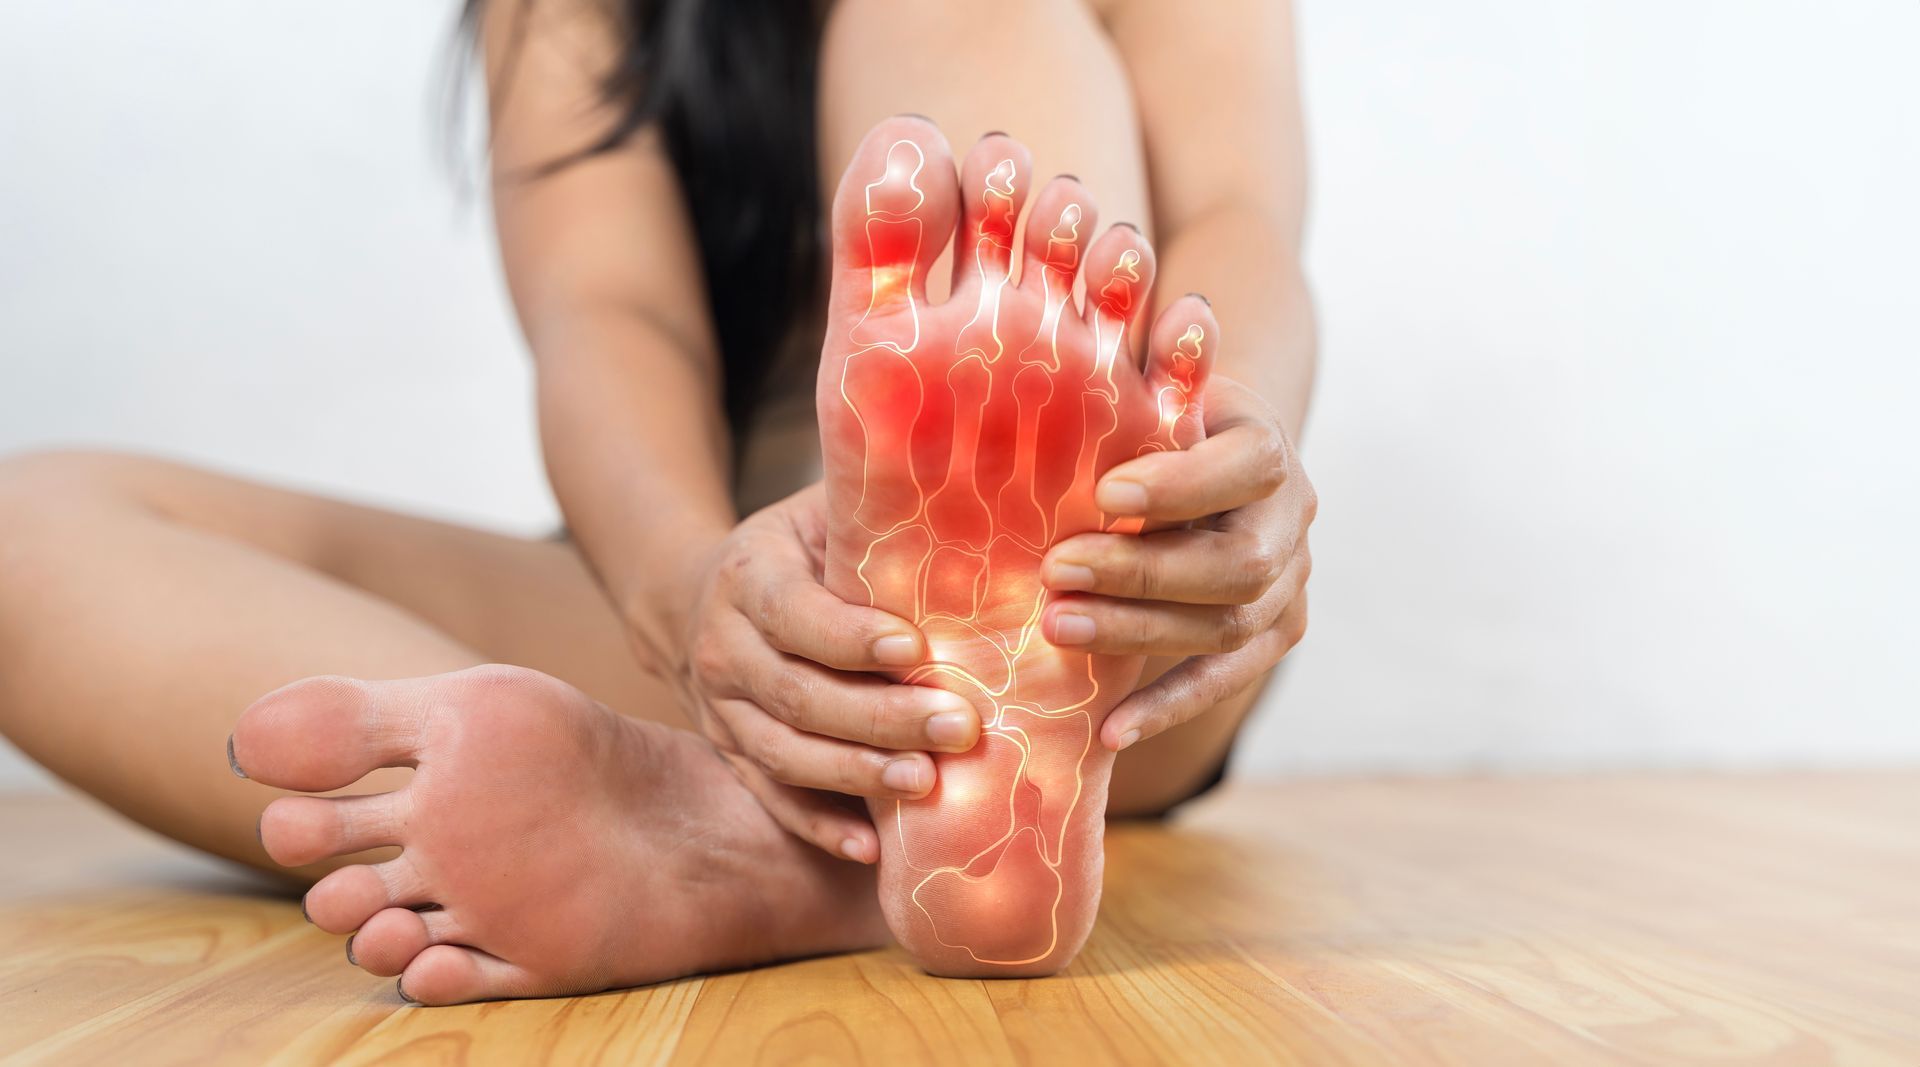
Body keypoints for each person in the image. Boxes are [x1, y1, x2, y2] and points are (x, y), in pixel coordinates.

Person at [0, 0, 1315, 1004]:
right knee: (25, 539)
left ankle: (983, 710)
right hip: (741, 642)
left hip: (1124, 632)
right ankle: (749, 836)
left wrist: (1230, 454)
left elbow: (1241, 220)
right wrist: (692, 589)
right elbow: (610, 321)